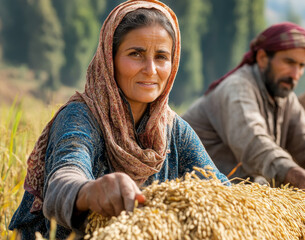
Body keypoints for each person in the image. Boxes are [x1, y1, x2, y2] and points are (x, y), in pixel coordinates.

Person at [9, 1, 228, 239]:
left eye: (161, 56)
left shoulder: (174, 130)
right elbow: (63, 179)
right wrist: (91, 191)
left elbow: (219, 189)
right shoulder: (81, 117)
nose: (151, 69)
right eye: (136, 54)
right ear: (109, 58)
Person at [182, 22, 305, 204]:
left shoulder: (286, 98)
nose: (295, 74)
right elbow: (255, 143)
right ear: (262, 58)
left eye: (302, 66)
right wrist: (299, 177)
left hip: (235, 194)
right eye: (289, 62)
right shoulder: (238, 87)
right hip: (195, 193)